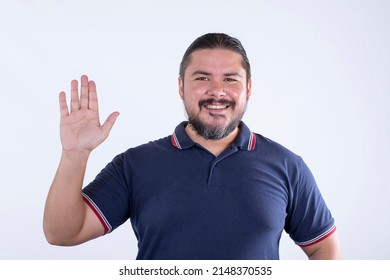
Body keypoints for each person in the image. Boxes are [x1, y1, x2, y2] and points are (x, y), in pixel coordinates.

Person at [43, 33, 341, 260]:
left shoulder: (288, 166)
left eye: (230, 79)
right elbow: (62, 233)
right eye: (202, 78)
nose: (217, 91)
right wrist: (75, 155)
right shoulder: (135, 164)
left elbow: (324, 249)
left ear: (248, 88)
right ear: (181, 87)